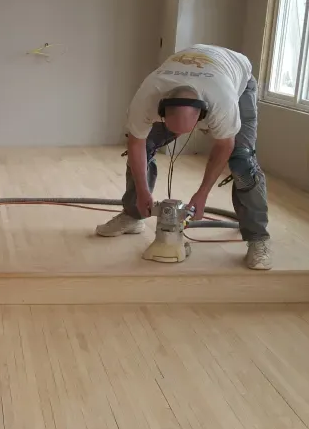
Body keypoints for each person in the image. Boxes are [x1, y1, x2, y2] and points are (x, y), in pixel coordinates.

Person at [95, 44, 271, 270]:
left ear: (203, 115)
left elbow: (224, 146)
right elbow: (136, 143)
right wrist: (142, 192)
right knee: (145, 146)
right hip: (199, 68)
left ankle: (258, 239)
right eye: (174, 130)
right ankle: (133, 215)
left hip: (236, 75)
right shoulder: (148, 96)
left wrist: (202, 194)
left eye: (187, 130)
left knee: (242, 162)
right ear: (161, 112)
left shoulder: (223, 102)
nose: (179, 136)